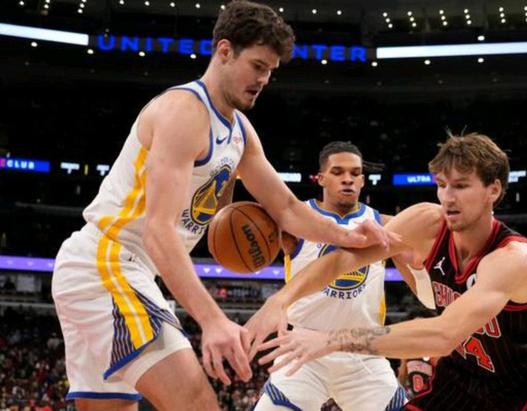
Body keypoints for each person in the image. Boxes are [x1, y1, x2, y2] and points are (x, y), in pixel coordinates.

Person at [50, 2, 392, 410]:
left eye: (270, 71)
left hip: (118, 269)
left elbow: (285, 208)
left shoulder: (239, 130)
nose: (263, 80)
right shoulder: (184, 112)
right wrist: (212, 320)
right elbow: (158, 230)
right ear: (224, 51)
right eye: (257, 66)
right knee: (196, 400)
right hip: (107, 263)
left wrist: (348, 235)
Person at [249, 133, 527, 411]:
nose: (448, 197)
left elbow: (443, 334)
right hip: (461, 380)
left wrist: (332, 340)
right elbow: (343, 261)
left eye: (461, 186)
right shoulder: (426, 222)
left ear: (493, 190)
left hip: (524, 388)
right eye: (442, 185)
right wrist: (280, 299)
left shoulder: (511, 257)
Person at [251, 141, 409, 411]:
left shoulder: (384, 224)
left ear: (362, 181)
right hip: (304, 349)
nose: (347, 179)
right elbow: (254, 214)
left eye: (355, 173)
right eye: (337, 172)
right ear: (321, 178)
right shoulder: (295, 221)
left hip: (362, 350)